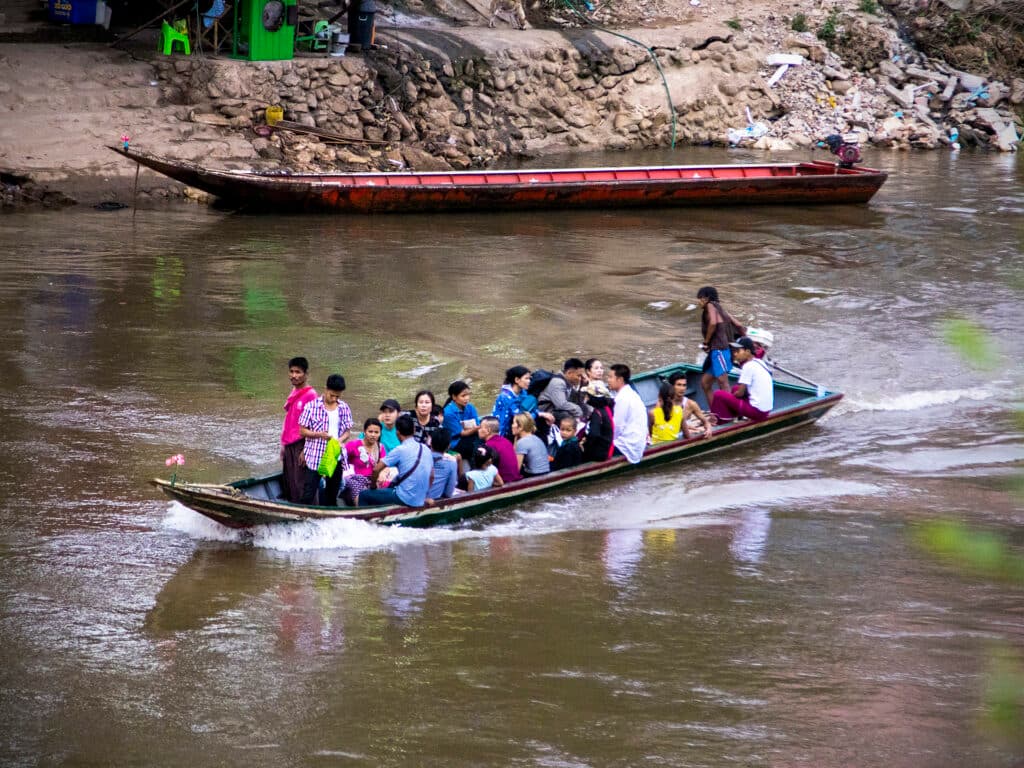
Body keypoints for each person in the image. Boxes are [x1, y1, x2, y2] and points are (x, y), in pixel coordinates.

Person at [298, 373, 354, 506]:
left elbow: (347, 432)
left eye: (337, 396)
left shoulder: (344, 408)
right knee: (308, 494)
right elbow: (302, 431)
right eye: (332, 395)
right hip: (314, 457)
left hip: (334, 456)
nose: (334, 398)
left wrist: (340, 440)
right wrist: (319, 435)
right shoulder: (311, 407)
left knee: (332, 492)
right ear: (325, 389)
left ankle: (328, 517)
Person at [359, 415, 433, 507]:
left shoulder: (400, 450)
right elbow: (431, 476)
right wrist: (425, 495)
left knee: (364, 495)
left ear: (397, 433)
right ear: (414, 430)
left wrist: (373, 486)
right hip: (420, 499)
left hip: (404, 498)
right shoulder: (426, 449)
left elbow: (376, 469)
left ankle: (366, 519)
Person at [696, 286, 745, 407]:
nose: (699, 302)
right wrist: (745, 339)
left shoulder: (710, 305)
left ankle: (733, 413)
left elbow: (713, 322)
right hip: (720, 351)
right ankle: (716, 413)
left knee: (723, 383)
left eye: (700, 298)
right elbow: (738, 325)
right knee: (705, 384)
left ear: (706, 298)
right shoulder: (721, 309)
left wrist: (706, 342)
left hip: (719, 350)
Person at [280, 356, 318, 503]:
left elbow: (315, 424)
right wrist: (283, 444)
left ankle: (310, 513)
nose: (294, 375)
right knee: (290, 482)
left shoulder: (311, 395)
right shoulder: (294, 391)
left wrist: (306, 449)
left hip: (301, 443)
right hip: (289, 443)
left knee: (302, 482)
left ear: (306, 374)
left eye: (298, 372)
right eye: (291, 371)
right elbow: (289, 419)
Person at [710, 336, 774, 423]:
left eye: (738, 351)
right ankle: (736, 416)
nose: (735, 354)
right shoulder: (759, 362)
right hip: (766, 411)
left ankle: (721, 421)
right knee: (735, 388)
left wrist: (730, 399)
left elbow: (740, 393)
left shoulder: (748, 366)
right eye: (734, 351)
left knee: (719, 394)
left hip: (757, 412)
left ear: (747, 352)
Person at [607, 363, 648, 464]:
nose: (608, 380)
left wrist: (608, 442)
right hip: (638, 440)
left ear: (620, 380)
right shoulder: (630, 393)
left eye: (610, 377)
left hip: (629, 444)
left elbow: (617, 427)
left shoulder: (622, 398)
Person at [342, 417, 386, 506]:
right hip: (355, 479)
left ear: (380, 434)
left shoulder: (380, 447)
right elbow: (341, 460)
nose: (373, 435)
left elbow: (384, 466)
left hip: (373, 479)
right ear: (364, 432)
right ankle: (361, 509)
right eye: (370, 432)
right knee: (354, 483)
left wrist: (382, 474)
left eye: (376, 432)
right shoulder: (353, 445)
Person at [537, 357, 589, 424]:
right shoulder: (558, 383)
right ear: (569, 373)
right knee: (567, 416)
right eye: (578, 376)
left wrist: (583, 385)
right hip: (547, 410)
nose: (580, 379)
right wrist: (577, 409)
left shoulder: (568, 382)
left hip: (556, 409)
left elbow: (578, 400)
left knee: (584, 408)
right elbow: (561, 404)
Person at [668, 371, 714, 439]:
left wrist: (709, 429)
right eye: (679, 385)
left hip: (684, 436)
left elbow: (705, 422)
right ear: (672, 386)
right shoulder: (664, 402)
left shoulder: (691, 404)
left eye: (684, 385)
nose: (682, 388)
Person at [442, 380, 480, 461]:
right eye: (463, 396)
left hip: (470, 434)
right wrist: (477, 428)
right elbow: (461, 433)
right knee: (474, 448)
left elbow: (477, 423)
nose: (467, 398)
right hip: (455, 442)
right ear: (454, 397)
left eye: (468, 395)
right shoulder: (448, 413)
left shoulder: (470, 407)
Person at [491, 365, 533, 438]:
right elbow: (519, 415)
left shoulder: (523, 392)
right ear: (517, 380)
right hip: (504, 431)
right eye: (526, 378)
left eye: (529, 378)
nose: (529, 381)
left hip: (515, 427)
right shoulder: (505, 397)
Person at [477, 415, 521, 484]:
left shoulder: (488, 446)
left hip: (503, 482)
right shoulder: (506, 441)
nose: (478, 430)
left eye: (480, 427)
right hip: (515, 479)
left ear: (488, 431)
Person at [580, 380, 615, 463]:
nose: (586, 398)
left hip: (600, 453)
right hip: (607, 447)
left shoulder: (596, 414)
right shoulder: (606, 409)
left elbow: (594, 434)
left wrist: (584, 445)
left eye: (587, 396)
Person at [511, 413, 550, 478]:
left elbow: (516, 469)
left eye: (513, 423)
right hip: (545, 473)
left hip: (535, 476)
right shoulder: (536, 438)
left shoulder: (522, 442)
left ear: (520, 427)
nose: (512, 426)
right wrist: (516, 438)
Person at [425, 429, 458, 503]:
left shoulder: (421, 458)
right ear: (448, 446)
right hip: (435, 500)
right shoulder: (451, 463)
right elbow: (449, 493)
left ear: (431, 444)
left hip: (416, 498)